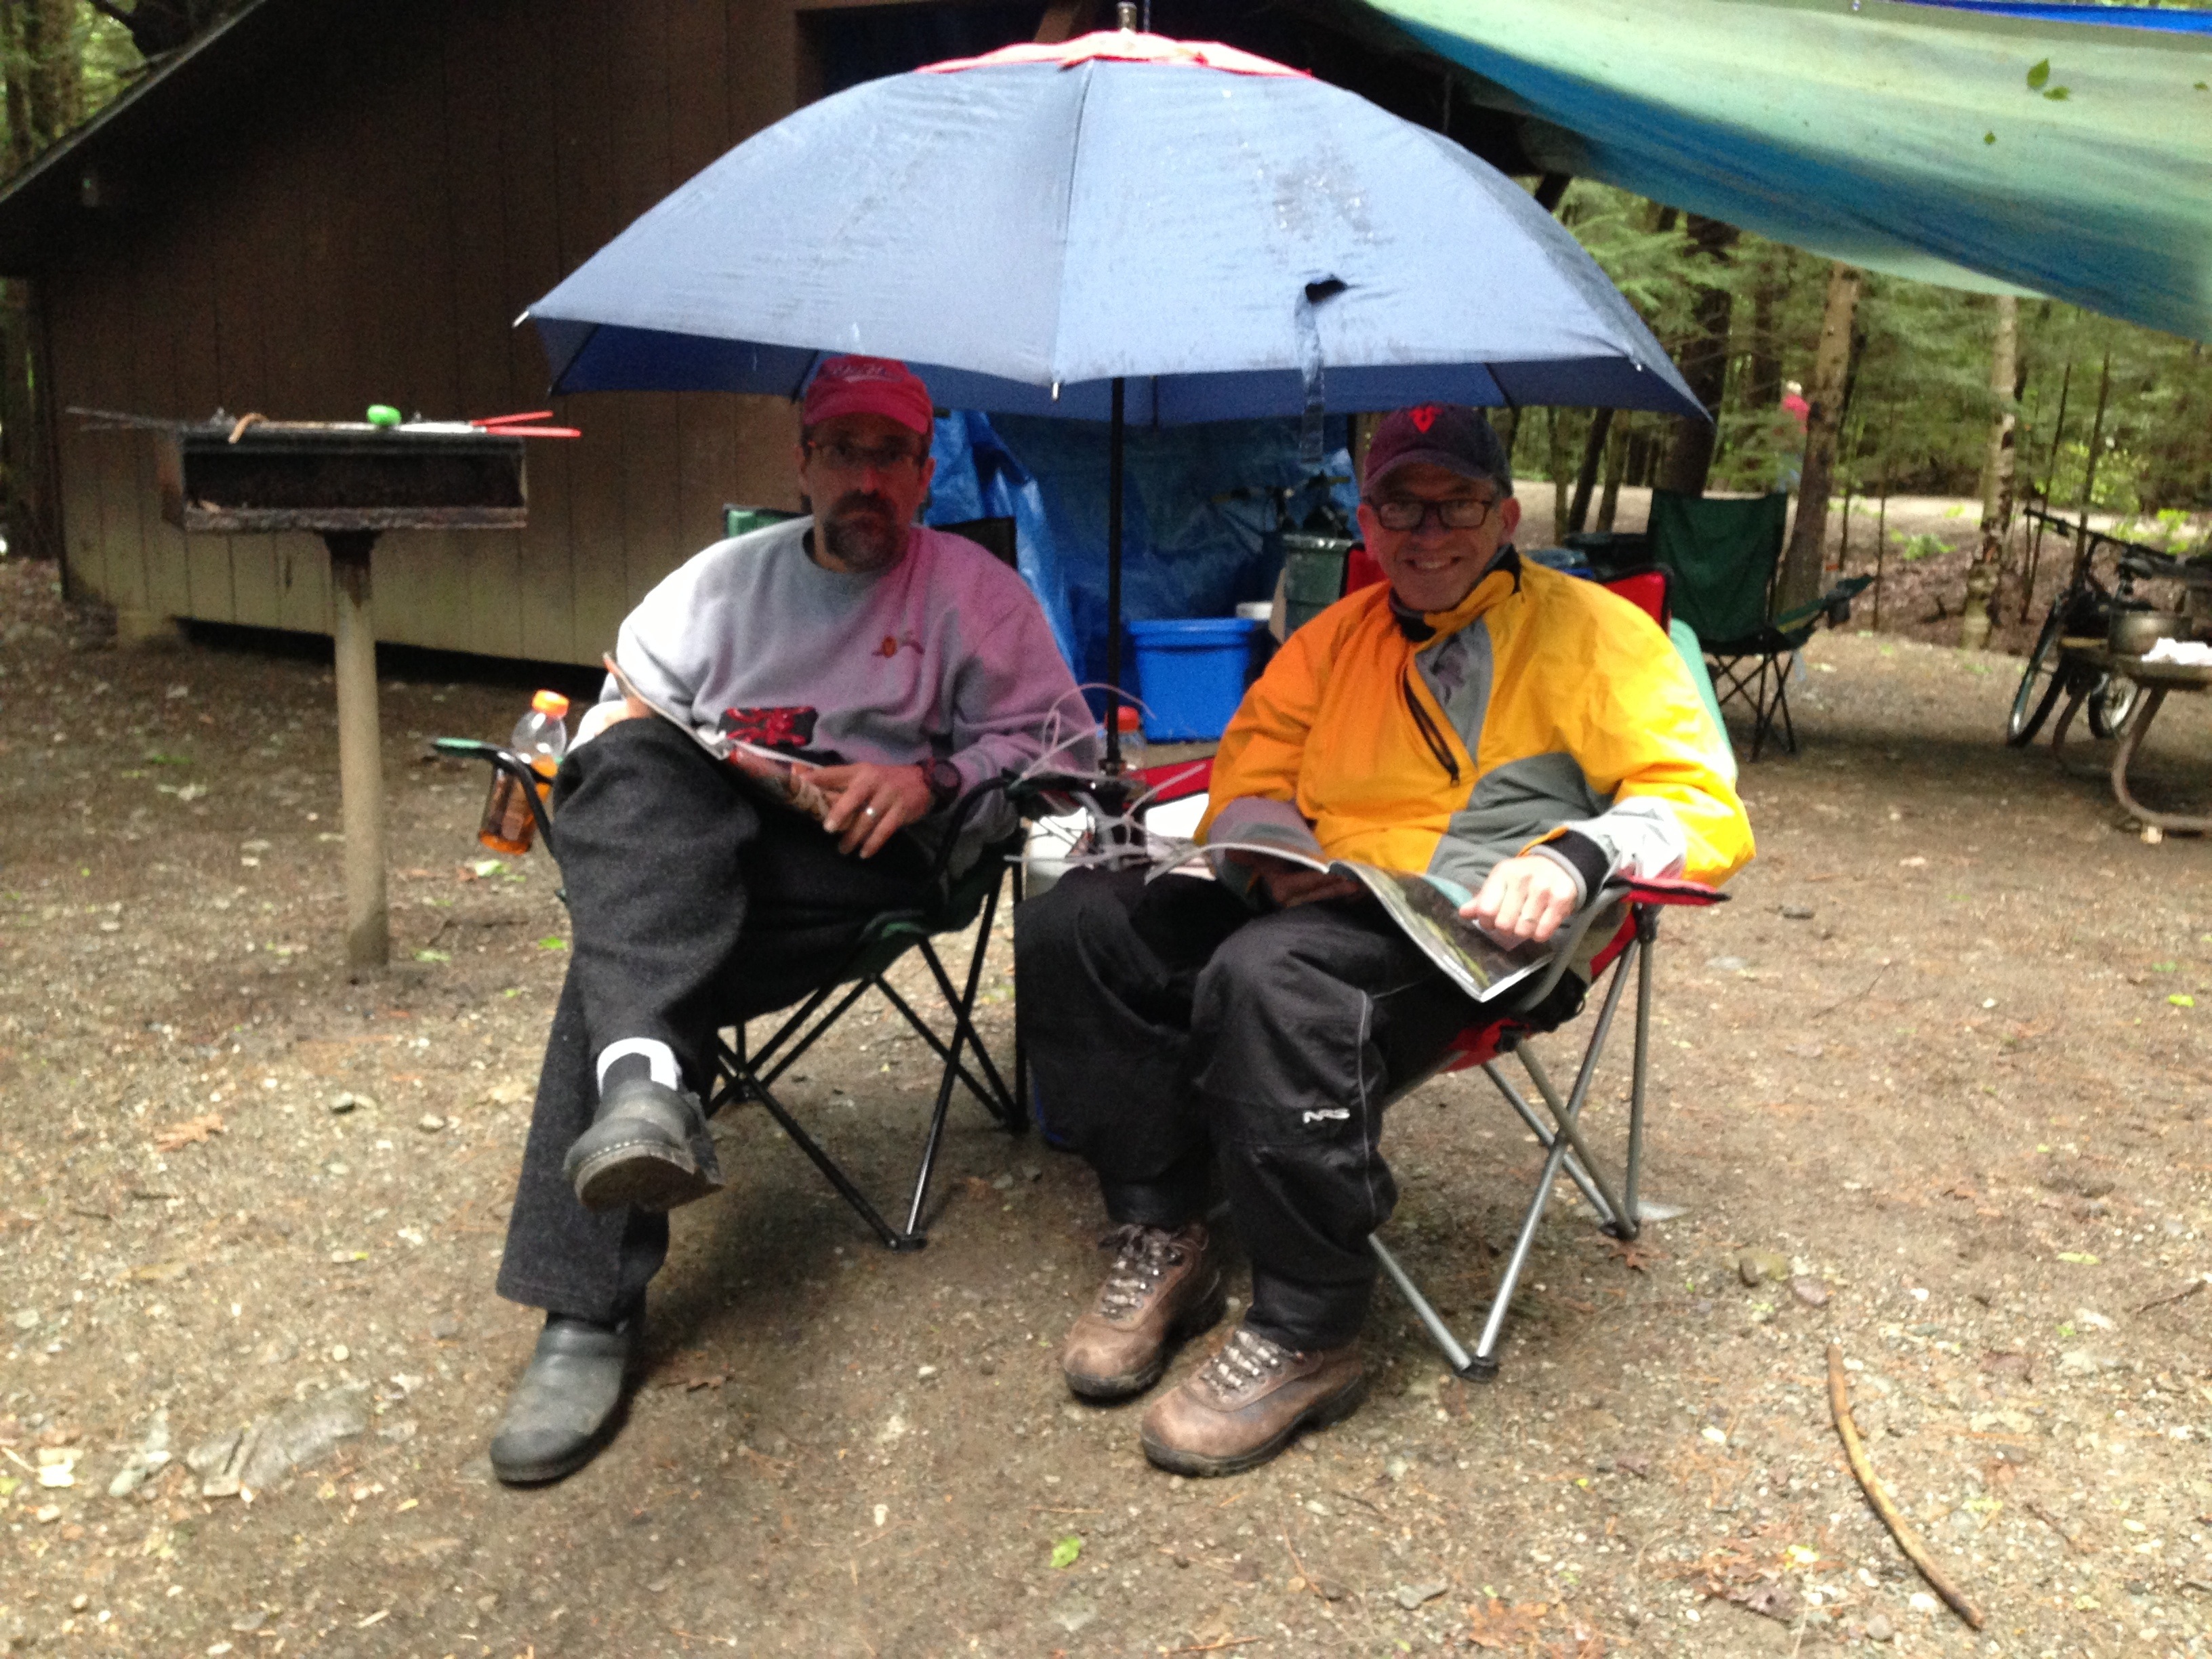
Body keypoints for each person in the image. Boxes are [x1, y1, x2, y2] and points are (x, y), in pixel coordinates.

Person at [1016, 403, 1752, 1477]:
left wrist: (1573, 859)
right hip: (1315, 896)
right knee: (1081, 918)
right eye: (1402, 505)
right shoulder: (1332, 638)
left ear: (1505, 516)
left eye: (1457, 504)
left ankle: (1310, 1327)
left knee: (1268, 979)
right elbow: (1251, 771)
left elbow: (1699, 803)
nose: (1429, 531)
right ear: (1365, 521)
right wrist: (1268, 859)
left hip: (1484, 930)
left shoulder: (1596, 634)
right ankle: (1166, 1228)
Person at [488, 355, 1088, 1485]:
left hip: (871, 863)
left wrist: (934, 780)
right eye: (844, 452)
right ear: (802, 463)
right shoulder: (716, 588)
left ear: (926, 473)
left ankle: (588, 1303)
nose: (868, 479)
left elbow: (1064, 751)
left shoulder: (975, 594)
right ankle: (641, 1093)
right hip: (709, 849)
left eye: (892, 457)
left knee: (626, 953)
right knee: (625, 766)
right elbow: (623, 725)